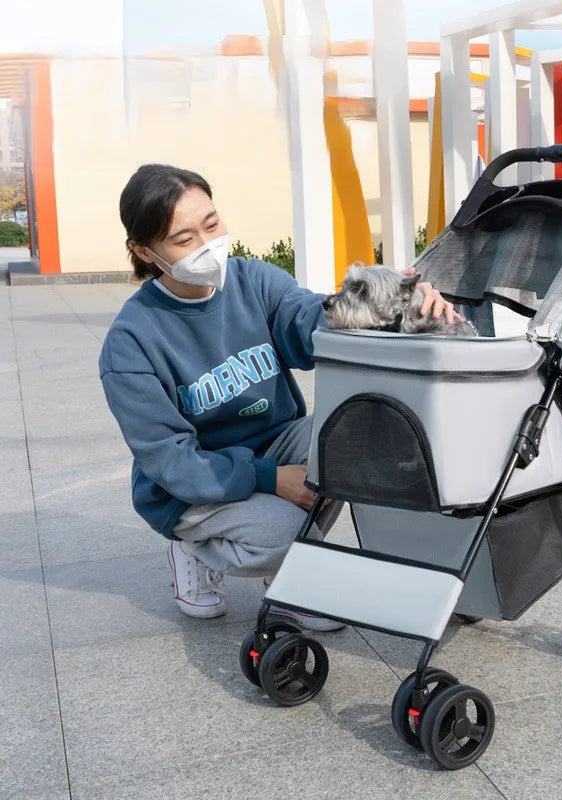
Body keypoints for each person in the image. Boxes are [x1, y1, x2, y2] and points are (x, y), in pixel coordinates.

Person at [99, 164, 457, 624]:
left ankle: (287, 574)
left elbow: (309, 317)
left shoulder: (253, 280)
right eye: (184, 240)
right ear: (143, 251)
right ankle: (195, 547)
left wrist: (401, 302)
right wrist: (272, 479)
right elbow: (172, 461)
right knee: (287, 533)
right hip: (189, 487)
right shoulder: (131, 343)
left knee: (358, 437)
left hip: (272, 443)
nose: (208, 246)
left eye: (212, 224)